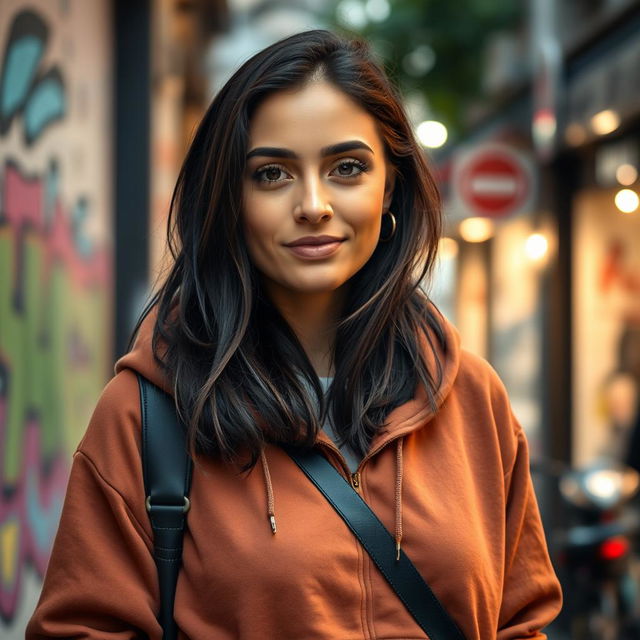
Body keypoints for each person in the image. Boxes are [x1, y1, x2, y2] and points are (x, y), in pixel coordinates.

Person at [26, 29, 562, 639]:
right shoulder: (148, 414)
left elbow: (523, 621)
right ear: (229, 196)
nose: (313, 204)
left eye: (347, 168)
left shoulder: (470, 397)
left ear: (390, 186)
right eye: (273, 173)